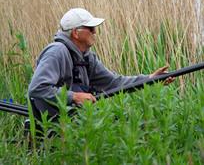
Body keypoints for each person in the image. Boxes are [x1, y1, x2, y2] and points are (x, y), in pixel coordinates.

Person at [28, 8, 173, 114]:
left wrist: (149, 79)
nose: (95, 32)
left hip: (78, 118)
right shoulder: (56, 52)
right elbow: (37, 88)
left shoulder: (87, 57)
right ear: (75, 33)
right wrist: (74, 97)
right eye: (90, 28)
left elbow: (114, 83)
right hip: (55, 123)